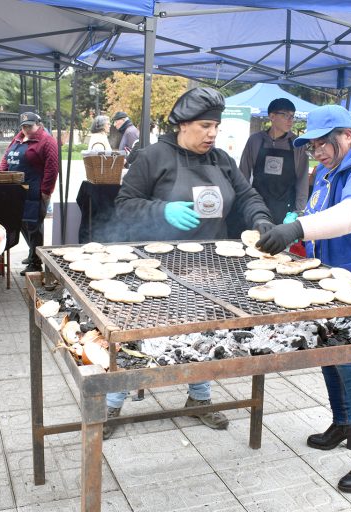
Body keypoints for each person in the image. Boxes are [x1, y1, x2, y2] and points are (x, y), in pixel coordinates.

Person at [111, 87, 275, 439]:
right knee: (141, 334)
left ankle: (199, 398)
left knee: (205, 331)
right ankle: (112, 401)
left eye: (215, 126)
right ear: (182, 125)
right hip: (156, 264)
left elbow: (247, 195)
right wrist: (161, 209)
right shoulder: (153, 156)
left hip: (210, 263)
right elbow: (124, 204)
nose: (212, 134)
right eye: (204, 126)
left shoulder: (221, 160)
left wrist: (261, 220)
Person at [256, 104, 351, 494]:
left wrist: (296, 228)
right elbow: (318, 212)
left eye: (323, 143)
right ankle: (345, 423)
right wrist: (292, 225)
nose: (317, 151)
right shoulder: (329, 170)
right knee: (329, 352)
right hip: (335, 276)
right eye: (311, 145)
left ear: (346, 136)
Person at [0, 112, 59, 274]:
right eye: (24, 126)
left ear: (38, 124)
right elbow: (6, 158)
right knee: (23, 224)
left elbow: (52, 169)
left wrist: (46, 192)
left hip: (35, 191)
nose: (26, 129)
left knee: (34, 227)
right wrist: (1, 175)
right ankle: (33, 253)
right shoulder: (18, 138)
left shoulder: (47, 141)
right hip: (16, 191)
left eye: (29, 126)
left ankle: (35, 263)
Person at [239, 97, 309, 227]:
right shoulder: (255, 141)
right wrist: (242, 204)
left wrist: (299, 212)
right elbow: (243, 176)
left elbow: (302, 180)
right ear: (272, 116)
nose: (290, 120)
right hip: (257, 207)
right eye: (286, 115)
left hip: (286, 210)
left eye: (292, 116)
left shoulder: (298, 144)